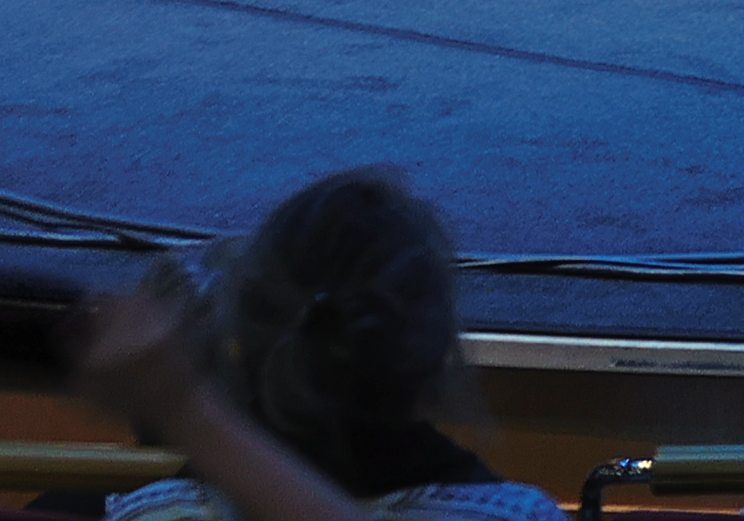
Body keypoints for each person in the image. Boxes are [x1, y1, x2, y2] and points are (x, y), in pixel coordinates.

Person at [73, 173, 565, 521]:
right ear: (436, 355)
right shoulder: (517, 516)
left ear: (241, 344)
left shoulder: (155, 511)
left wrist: (187, 412)